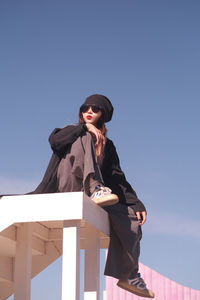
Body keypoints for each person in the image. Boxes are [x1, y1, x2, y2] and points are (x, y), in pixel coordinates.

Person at [32, 94, 154, 298]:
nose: (89, 111)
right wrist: (85, 128)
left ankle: (129, 275)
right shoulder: (72, 132)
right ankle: (93, 185)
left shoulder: (108, 145)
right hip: (68, 185)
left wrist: (136, 203)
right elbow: (54, 140)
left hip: (98, 195)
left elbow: (117, 179)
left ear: (102, 115)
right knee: (84, 137)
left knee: (131, 217)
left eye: (95, 109)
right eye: (85, 108)